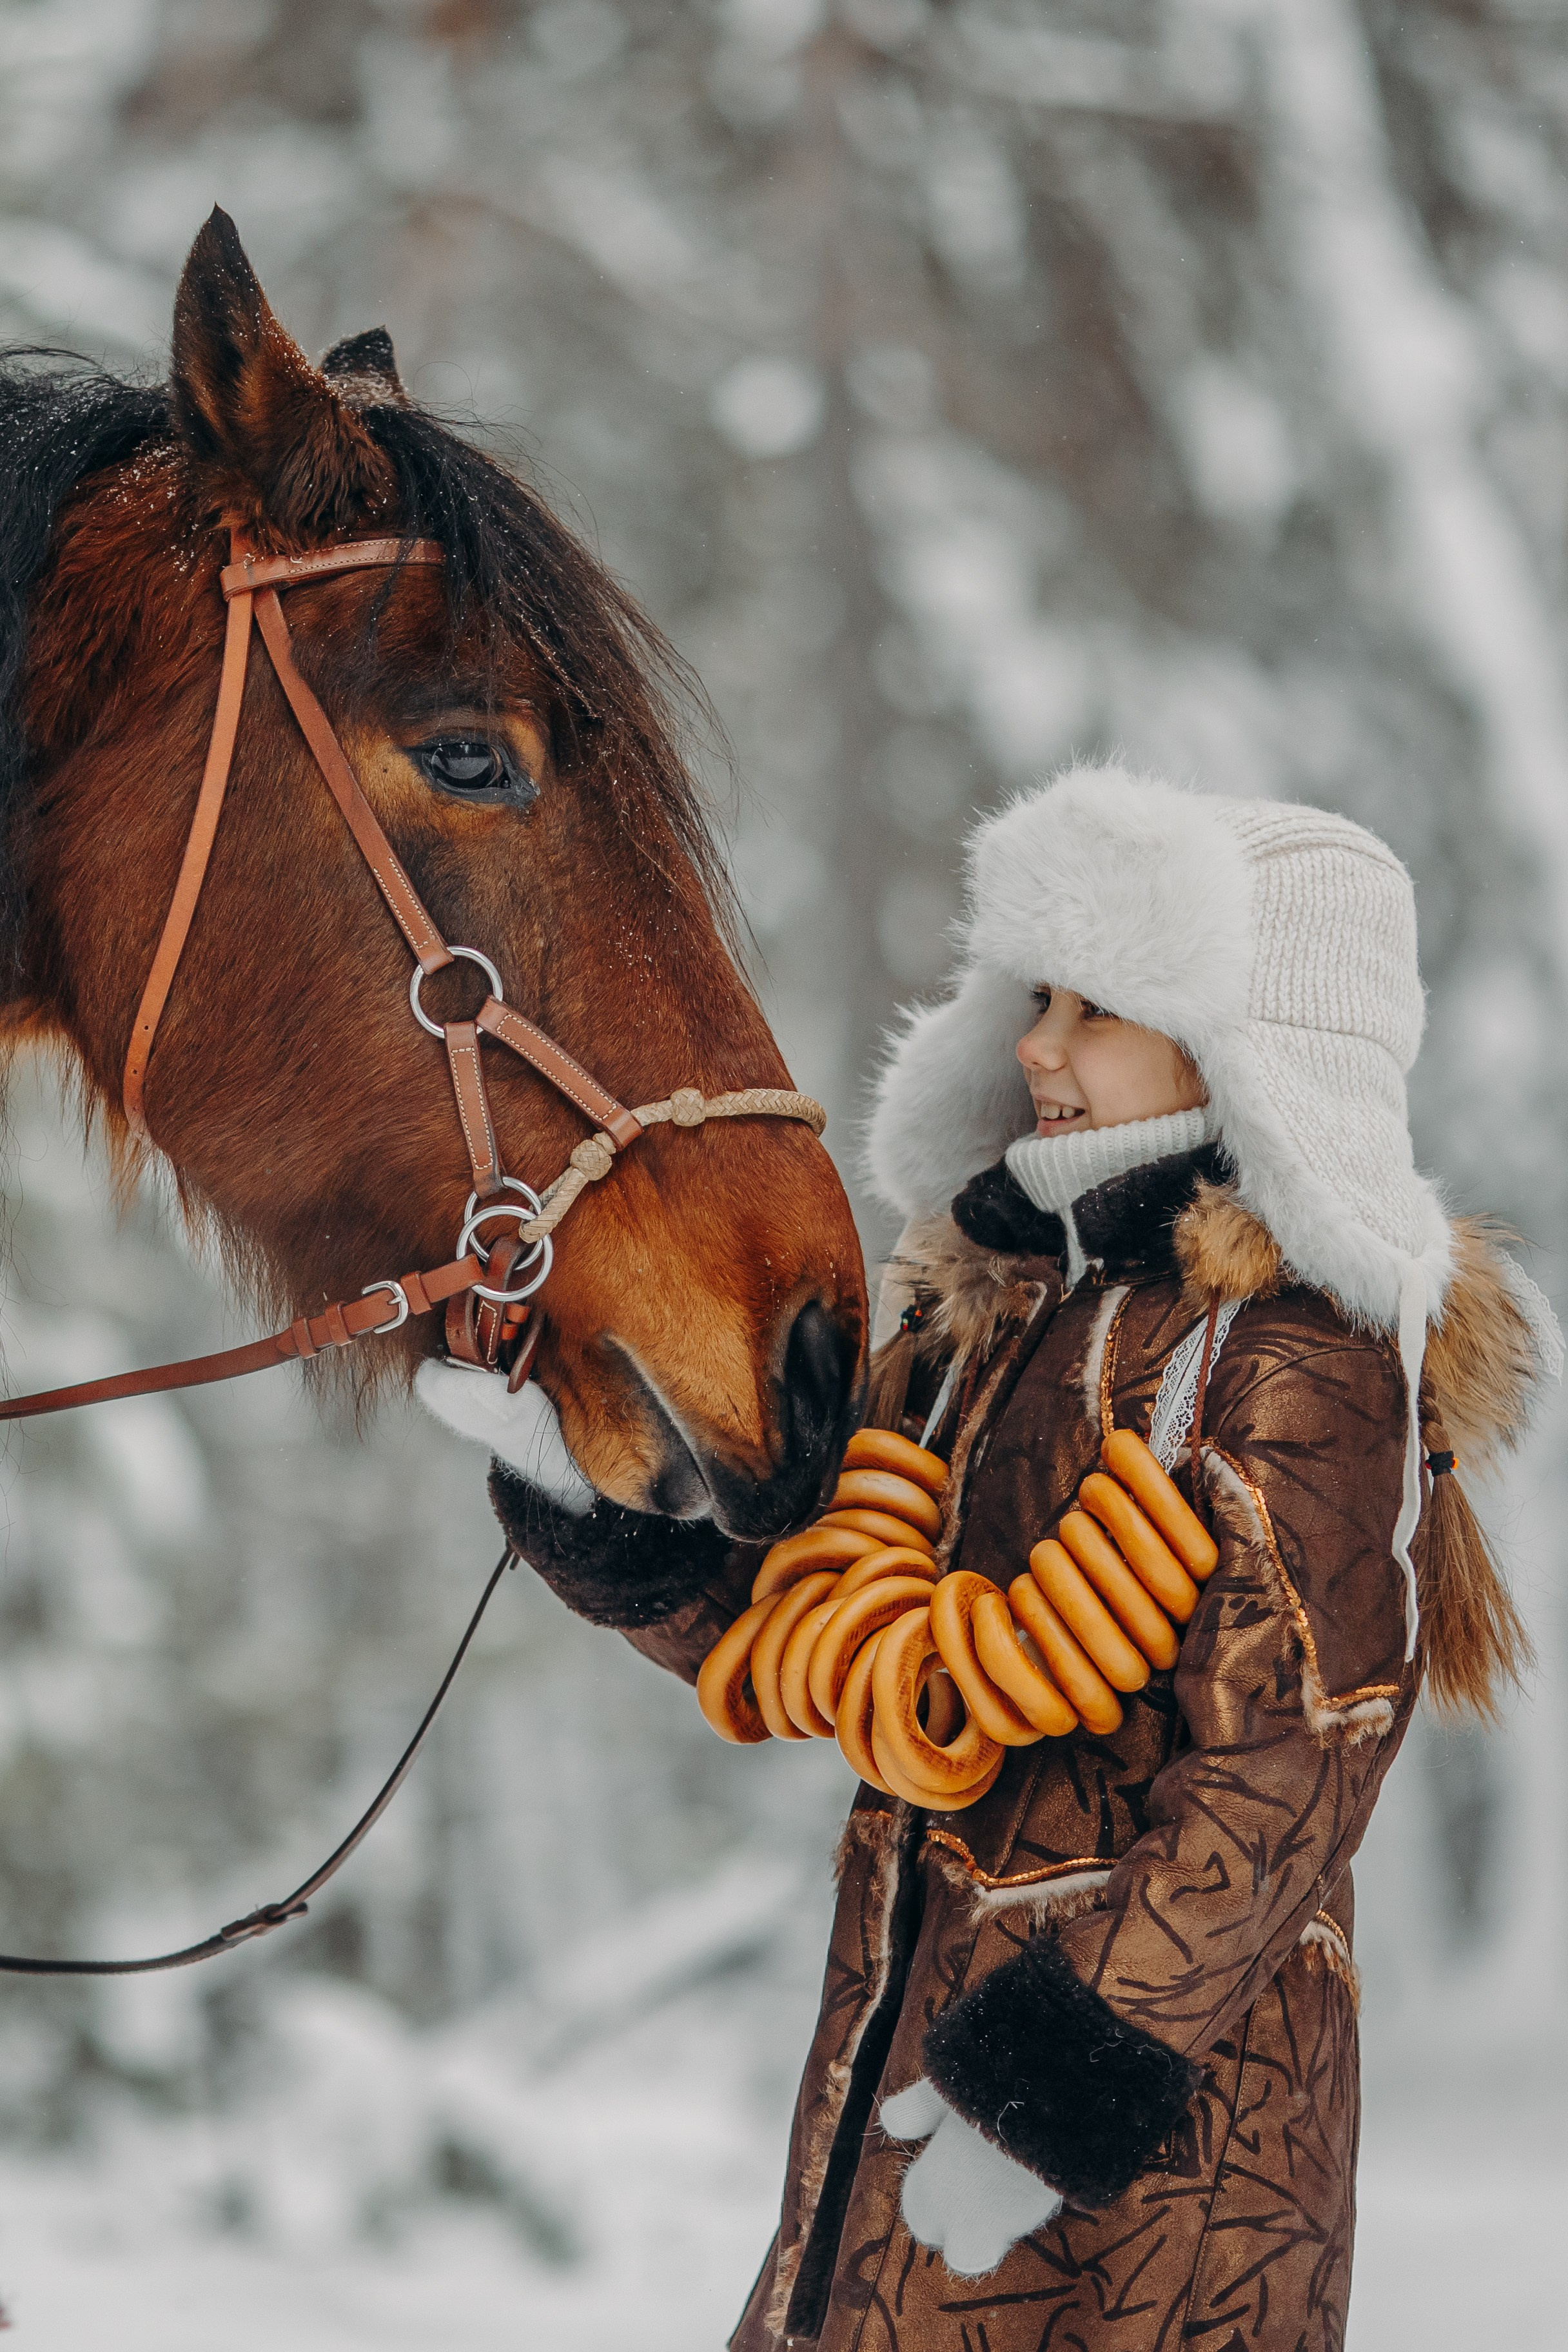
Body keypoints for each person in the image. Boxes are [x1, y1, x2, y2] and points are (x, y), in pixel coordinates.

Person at [449, 765, 1560, 2351]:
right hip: (906, 2074)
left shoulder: (1290, 1361)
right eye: (1034, 995)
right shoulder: (986, 1318)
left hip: (1160, 2176)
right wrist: (601, 1518)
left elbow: (1283, 1786)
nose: (1038, 1045)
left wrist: (1051, 2091)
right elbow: (822, 1642)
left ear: (1249, 1043)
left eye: (1098, 1004)